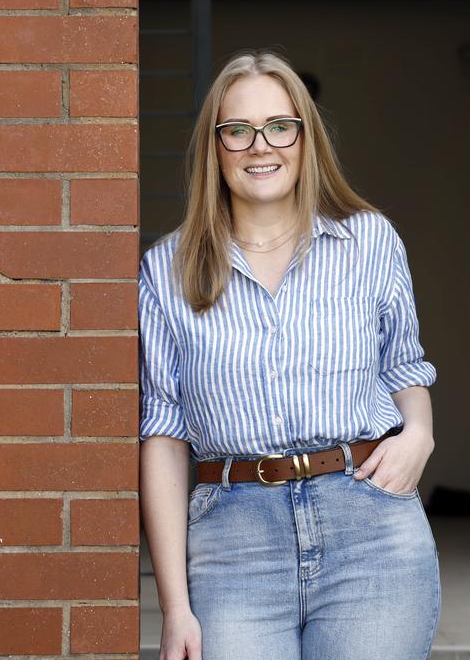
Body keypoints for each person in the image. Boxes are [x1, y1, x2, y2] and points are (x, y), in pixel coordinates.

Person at [138, 48, 441, 660]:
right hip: (233, 543)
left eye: (279, 126)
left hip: (370, 531)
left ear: (305, 138)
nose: (260, 146)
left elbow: (403, 366)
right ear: (214, 146)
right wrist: (174, 608)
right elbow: (164, 436)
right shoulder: (165, 271)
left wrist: (420, 436)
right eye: (237, 131)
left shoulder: (369, 241)